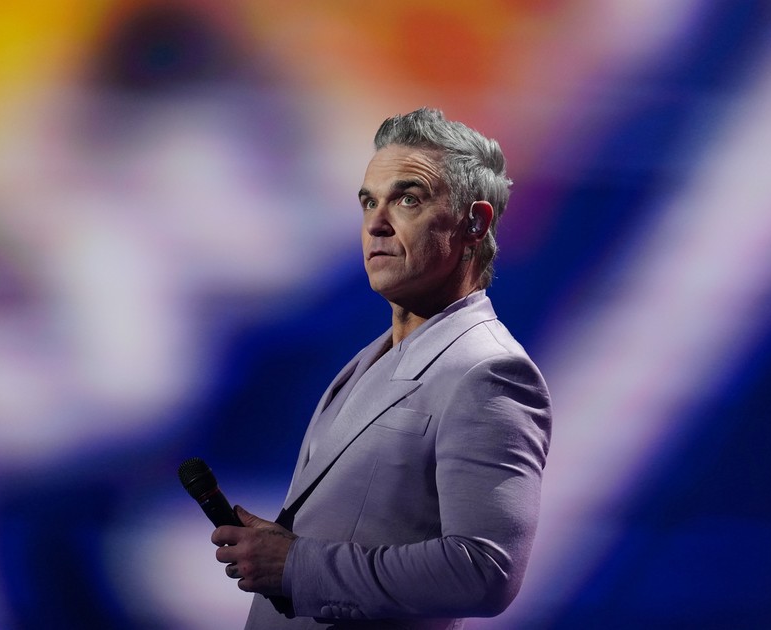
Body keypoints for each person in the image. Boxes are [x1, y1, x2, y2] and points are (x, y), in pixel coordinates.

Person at [212, 107, 552, 629]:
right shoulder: (368, 359)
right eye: (369, 202)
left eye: (408, 199)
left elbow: (484, 571)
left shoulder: (490, 372)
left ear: (474, 222)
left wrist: (297, 564)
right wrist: (280, 548)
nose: (376, 223)